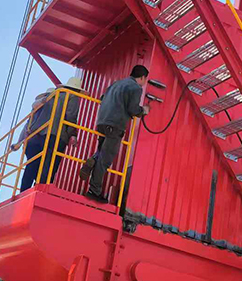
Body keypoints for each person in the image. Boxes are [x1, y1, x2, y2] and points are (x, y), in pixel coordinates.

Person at [79, 65, 150, 203]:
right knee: (105, 160)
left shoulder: (116, 84)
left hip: (102, 122)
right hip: (115, 125)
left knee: (101, 152)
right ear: (142, 77)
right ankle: (94, 191)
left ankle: (93, 160)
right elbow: (132, 109)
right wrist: (144, 110)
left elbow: (102, 98)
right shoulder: (136, 88)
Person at [12, 77, 82, 191]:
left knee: (33, 165)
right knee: (50, 165)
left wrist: (19, 142)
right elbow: (70, 117)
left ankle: (25, 190)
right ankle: (42, 188)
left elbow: (29, 123)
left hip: (39, 136)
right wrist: (72, 134)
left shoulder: (53, 96)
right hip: (57, 134)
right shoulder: (72, 96)